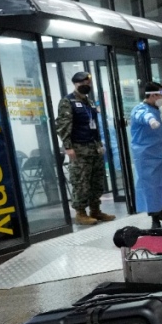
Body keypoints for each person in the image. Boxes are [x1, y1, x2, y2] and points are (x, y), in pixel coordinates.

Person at [55, 72, 114, 225]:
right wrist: (68, 147)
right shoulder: (67, 102)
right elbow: (63, 126)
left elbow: (94, 125)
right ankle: (80, 213)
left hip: (94, 147)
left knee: (97, 181)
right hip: (79, 148)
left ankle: (96, 210)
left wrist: (100, 144)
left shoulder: (90, 102)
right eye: (84, 83)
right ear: (76, 83)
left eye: (89, 83)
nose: (87, 86)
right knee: (81, 182)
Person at [130, 82, 162, 229]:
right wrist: (150, 120)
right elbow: (143, 115)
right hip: (146, 154)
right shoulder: (140, 109)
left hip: (161, 151)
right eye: (160, 94)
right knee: (150, 186)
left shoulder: (157, 109)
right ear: (152, 95)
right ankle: (155, 218)